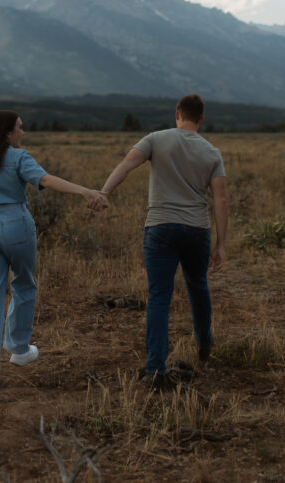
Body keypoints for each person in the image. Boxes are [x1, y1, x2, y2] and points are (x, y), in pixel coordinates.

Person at [0, 110, 107, 393]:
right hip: (16, 225)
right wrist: (84, 191)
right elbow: (45, 180)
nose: (23, 132)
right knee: (23, 284)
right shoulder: (19, 158)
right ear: (8, 133)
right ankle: (19, 350)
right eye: (20, 128)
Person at [91, 94, 228, 388]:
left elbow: (127, 165)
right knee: (198, 286)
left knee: (159, 297)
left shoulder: (155, 138)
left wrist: (104, 192)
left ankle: (155, 368)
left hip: (161, 228)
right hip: (197, 230)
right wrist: (222, 244)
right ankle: (204, 344)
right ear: (201, 119)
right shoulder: (212, 152)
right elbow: (221, 199)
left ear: (177, 113)